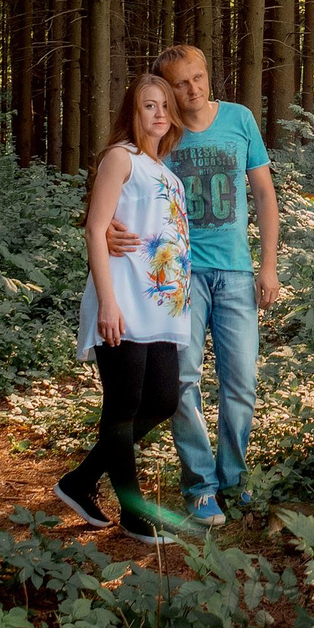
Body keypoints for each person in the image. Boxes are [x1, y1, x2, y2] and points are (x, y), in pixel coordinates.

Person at [105, 43, 276, 527]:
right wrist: (105, 226)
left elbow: (264, 193)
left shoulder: (240, 120)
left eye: (197, 77)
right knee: (183, 382)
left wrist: (268, 265)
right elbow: (122, 173)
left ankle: (233, 481)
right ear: (168, 89)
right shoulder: (165, 131)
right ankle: (200, 487)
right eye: (179, 83)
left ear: (207, 75)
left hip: (237, 272)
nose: (191, 89)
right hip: (178, 276)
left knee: (240, 383)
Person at [54, 74, 190, 546]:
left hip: (163, 310)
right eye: (148, 105)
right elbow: (95, 230)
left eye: (165, 106)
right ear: (131, 112)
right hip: (124, 301)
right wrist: (107, 303)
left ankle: (79, 480)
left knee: (163, 401)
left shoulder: (169, 174)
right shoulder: (121, 159)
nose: (158, 113)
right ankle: (134, 516)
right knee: (123, 405)